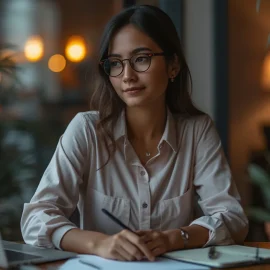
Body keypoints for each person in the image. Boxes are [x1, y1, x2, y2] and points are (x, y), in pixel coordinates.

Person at [21, 5, 248, 262]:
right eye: (116, 63)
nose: (127, 76)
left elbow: (233, 218)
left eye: (141, 59)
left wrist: (173, 238)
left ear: (173, 66)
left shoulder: (197, 131)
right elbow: (36, 218)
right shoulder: (87, 130)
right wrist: (99, 244)